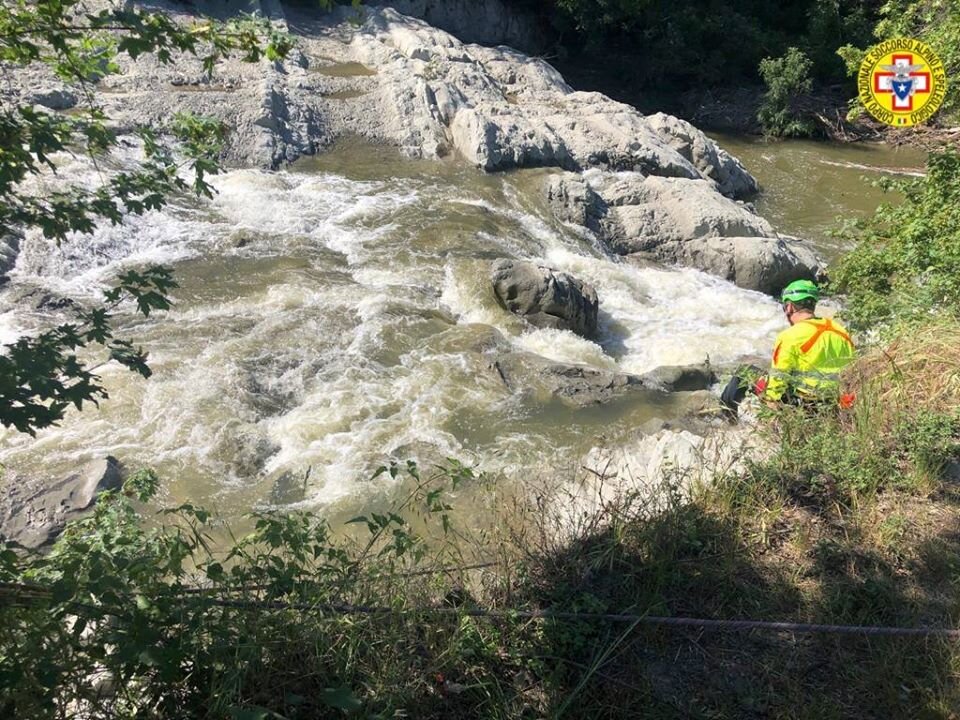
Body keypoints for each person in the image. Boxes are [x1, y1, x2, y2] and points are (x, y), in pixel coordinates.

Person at [720, 279, 856, 417]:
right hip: (832, 403)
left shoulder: (790, 336)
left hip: (802, 404)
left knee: (745, 372)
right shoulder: (841, 332)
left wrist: (771, 408)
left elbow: (778, 379)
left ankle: (729, 421)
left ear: (790, 306)